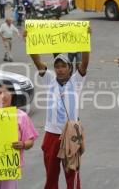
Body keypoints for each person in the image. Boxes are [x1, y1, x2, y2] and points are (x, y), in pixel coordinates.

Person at [27, 35, 90, 189]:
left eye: (63, 66)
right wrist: (30, 41)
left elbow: (85, 62)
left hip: (70, 135)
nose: (60, 69)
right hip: (51, 134)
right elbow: (37, 62)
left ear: (70, 68)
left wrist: (85, 40)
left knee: (72, 174)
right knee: (51, 174)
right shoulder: (49, 80)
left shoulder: (76, 81)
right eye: (57, 66)